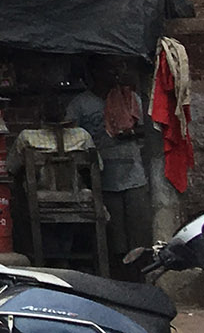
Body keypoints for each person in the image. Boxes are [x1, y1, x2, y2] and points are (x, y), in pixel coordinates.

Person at [65, 63, 152, 270]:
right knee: (113, 234)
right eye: (107, 70)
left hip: (134, 174)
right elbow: (70, 134)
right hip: (104, 176)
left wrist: (129, 133)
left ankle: (139, 275)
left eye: (116, 70)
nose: (114, 75)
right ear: (93, 73)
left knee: (139, 231)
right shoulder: (81, 104)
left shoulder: (130, 99)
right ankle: (116, 274)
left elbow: (147, 130)